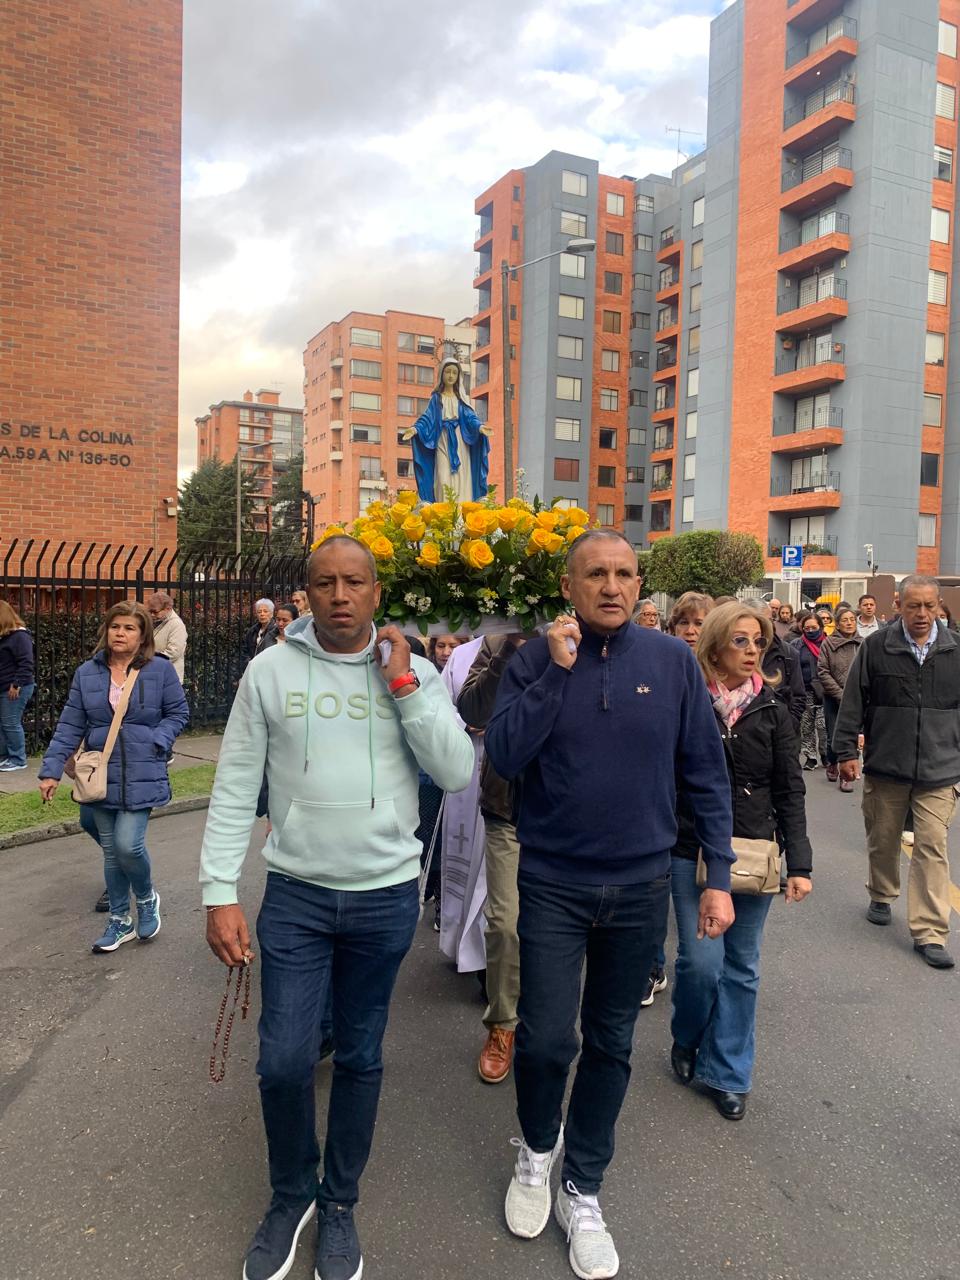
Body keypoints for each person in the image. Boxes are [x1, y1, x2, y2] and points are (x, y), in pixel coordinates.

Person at [200, 536, 474, 1280]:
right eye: (325, 583)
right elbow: (233, 787)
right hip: (296, 896)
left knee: (359, 1056)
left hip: (384, 896)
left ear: (377, 592)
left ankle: (340, 1201)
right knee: (284, 1060)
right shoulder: (269, 671)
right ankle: (293, 1195)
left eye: (354, 582)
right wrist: (219, 890)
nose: (340, 595)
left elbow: (455, 769)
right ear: (307, 594)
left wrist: (405, 688)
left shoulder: (413, 672)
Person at [485, 529, 735, 1280]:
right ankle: (535, 1151)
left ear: (638, 582)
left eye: (625, 573)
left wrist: (717, 871)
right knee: (542, 1040)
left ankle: (582, 1186)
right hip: (554, 881)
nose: (612, 586)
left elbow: (704, 771)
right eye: (596, 573)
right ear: (569, 585)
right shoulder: (534, 657)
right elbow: (501, 756)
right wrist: (556, 676)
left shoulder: (672, 663)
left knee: (613, 1042)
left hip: (640, 885)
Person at [670, 603, 812, 1120]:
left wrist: (801, 863)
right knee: (700, 964)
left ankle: (728, 1072)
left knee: (742, 967)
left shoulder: (772, 709)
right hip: (691, 849)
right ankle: (686, 1036)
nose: (753, 651)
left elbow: (790, 789)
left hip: (754, 852)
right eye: (740, 642)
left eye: (758, 642)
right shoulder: (687, 704)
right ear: (713, 647)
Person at [38, 601, 189, 952]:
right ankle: (119, 920)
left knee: (127, 844)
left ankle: (147, 898)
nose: (120, 633)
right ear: (106, 630)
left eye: (129, 628)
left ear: (143, 635)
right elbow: (70, 724)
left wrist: (159, 739)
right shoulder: (86, 674)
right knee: (110, 852)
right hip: (100, 773)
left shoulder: (159, 671)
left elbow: (178, 713)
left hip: (143, 770)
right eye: (115, 627)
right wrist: (50, 771)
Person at [833, 574, 960, 970]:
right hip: (887, 764)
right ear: (898, 607)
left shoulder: (956, 651)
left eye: (928, 606)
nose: (922, 614)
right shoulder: (875, 648)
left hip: (941, 767)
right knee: (883, 837)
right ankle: (882, 892)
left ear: (939, 606)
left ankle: (930, 931)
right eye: (913, 606)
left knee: (932, 845)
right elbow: (853, 700)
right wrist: (844, 751)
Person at [457, 634, 525, 1084]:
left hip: (573, 813)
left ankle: (553, 1022)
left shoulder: (590, 636)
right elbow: (473, 710)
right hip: (508, 808)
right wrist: (507, 653)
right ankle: (502, 1024)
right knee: (504, 923)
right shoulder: (501, 640)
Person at [401, 357, 493, 503]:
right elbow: (427, 418)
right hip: (442, 440)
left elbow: (470, 417)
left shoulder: (462, 399)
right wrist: (415, 429)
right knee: (443, 477)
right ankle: (443, 512)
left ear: (458, 377)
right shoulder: (436, 399)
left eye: (454, 373)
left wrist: (480, 427)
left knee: (462, 478)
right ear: (442, 375)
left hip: (460, 442)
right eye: (448, 372)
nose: (450, 376)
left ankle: (461, 513)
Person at [817, 605, 862, 792]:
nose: (849, 623)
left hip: (858, 698)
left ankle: (847, 775)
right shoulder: (828, 643)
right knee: (833, 733)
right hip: (833, 698)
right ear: (837, 623)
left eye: (852, 619)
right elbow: (823, 671)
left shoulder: (864, 643)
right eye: (845, 620)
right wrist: (840, 694)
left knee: (853, 736)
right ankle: (832, 762)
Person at [0, 600, 36, 772]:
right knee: (3, 723)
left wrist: (16, 684)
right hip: (5, 687)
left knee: (10, 723)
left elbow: (26, 663)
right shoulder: (6, 636)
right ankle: (5, 756)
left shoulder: (20, 637)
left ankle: (18, 759)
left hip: (15, 688)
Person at [793, 610, 827, 770]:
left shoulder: (828, 643)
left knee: (822, 725)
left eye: (814, 627)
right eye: (807, 628)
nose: (811, 631)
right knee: (806, 726)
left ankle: (825, 753)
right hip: (804, 690)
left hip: (825, 690)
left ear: (820, 626)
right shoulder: (796, 645)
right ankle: (810, 757)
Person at [145, 591, 188, 682]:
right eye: (150, 611)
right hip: (154, 674)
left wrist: (148, 660)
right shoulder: (157, 620)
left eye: (155, 612)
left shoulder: (176, 625)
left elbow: (173, 653)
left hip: (169, 677)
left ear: (168, 608)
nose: (152, 615)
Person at [244, 599, 278, 665]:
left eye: (265, 611)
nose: (262, 614)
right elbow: (245, 650)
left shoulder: (276, 631)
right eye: (259, 612)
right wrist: (249, 662)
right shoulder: (252, 631)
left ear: (271, 614)